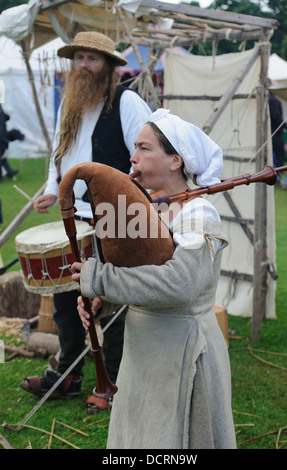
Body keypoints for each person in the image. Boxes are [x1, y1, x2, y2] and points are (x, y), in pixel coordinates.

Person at [73, 108, 237, 449]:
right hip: (142, 350)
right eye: (134, 147)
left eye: (144, 148)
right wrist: (104, 301)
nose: (133, 157)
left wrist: (100, 279)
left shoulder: (199, 211)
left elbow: (181, 284)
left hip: (183, 349)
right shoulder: (147, 209)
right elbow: (138, 275)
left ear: (175, 160)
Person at [20, 31, 151, 412]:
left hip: (113, 220)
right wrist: (51, 188)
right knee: (66, 301)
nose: (83, 66)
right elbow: (58, 155)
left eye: (92, 59)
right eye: (78, 58)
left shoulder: (127, 103)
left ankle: (112, 380)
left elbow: (142, 158)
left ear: (110, 67)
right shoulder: (70, 106)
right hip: (72, 221)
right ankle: (68, 374)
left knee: (108, 300)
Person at [268, 92, 287, 184]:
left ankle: (276, 177)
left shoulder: (270, 100)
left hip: (273, 134)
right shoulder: (273, 100)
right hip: (275, 134)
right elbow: (276, 116)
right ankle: (277, 178)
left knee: (275, 156)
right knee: (279, 156)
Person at [0, 104, 24, 182]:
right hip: (1, 136)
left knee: (2, 156)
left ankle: (9, 172)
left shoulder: (0, 106)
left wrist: (8, 115)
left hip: (2, 134)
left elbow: (3, 119)